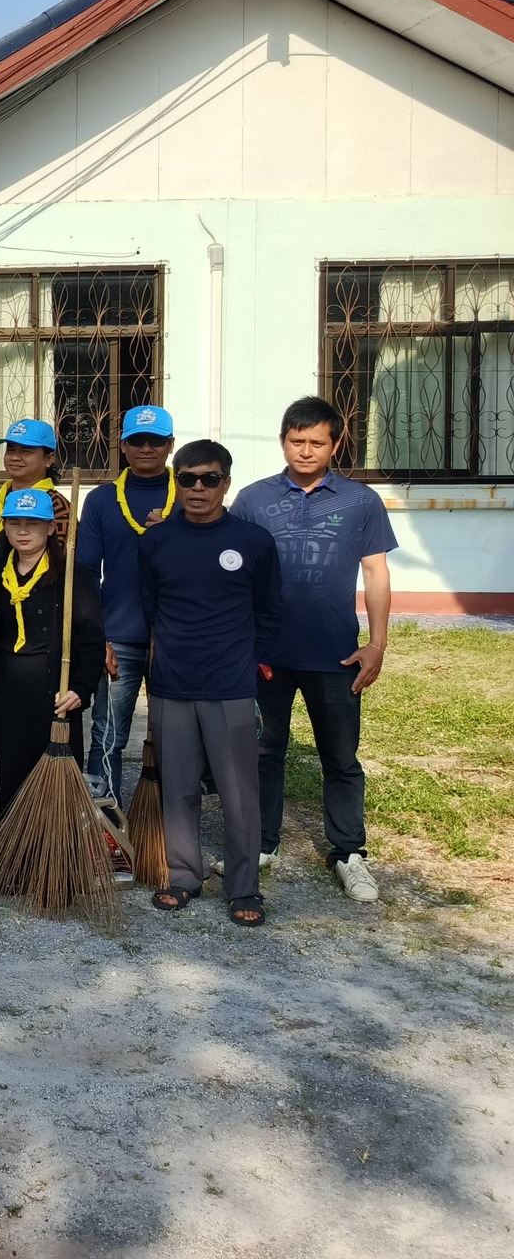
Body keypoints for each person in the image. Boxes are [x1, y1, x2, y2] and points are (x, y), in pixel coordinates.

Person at [232, 395, 395, 902]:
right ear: (282, 441)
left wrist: (377, 643)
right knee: (264, 751)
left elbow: (376, 572)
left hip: (335, 654)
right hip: (267, 653)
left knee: (341, 757)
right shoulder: (253, 500)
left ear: (335, 444)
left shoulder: (361, 501)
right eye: (296, 441)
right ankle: (261, 843)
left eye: (317, 442)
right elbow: (234, 570)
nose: (305, 451)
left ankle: (348, 853)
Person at [141, 440, 283, 927]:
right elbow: (150, 609)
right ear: (175, 482)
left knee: (238, 793)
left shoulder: (253, 541)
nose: (198, 488)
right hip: (173, 683)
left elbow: (269, 611)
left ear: (226, 483)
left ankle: (244, 887)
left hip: (230, 685)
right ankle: (184, 876)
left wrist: (249, 665)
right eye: (187, 479)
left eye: (210, 479)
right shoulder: (155, 542)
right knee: (178, 788)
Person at [75, 405, 174, 805]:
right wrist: (98, 637)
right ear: (123, 445)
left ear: (170, 444)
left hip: (177, 640)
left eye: (155, 440)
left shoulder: (191, 494)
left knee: (177, 738)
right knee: (107, 736)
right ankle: (106, 825)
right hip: (118, 637)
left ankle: (170, 826)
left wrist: (173, 533)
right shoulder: (101, 500)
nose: (146, 448)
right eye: (137, 440)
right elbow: (86, 573)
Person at [0, 488, 102, 817]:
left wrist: (81, 688)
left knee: (57, 781)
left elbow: (92, 638)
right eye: (15, 523)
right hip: (5, 690)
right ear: (4, 527)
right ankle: (15, 842)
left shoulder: (71, 574)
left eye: (33, 523)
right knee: (11, 772)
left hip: (54, 692)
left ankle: (56, 845)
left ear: (50, 528)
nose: (23, 531)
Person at [0, 418, 70, 556]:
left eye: (26, 451)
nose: (14, 457)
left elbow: (60, 557)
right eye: (10, 450)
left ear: (49, 459)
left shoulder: (57, 506)